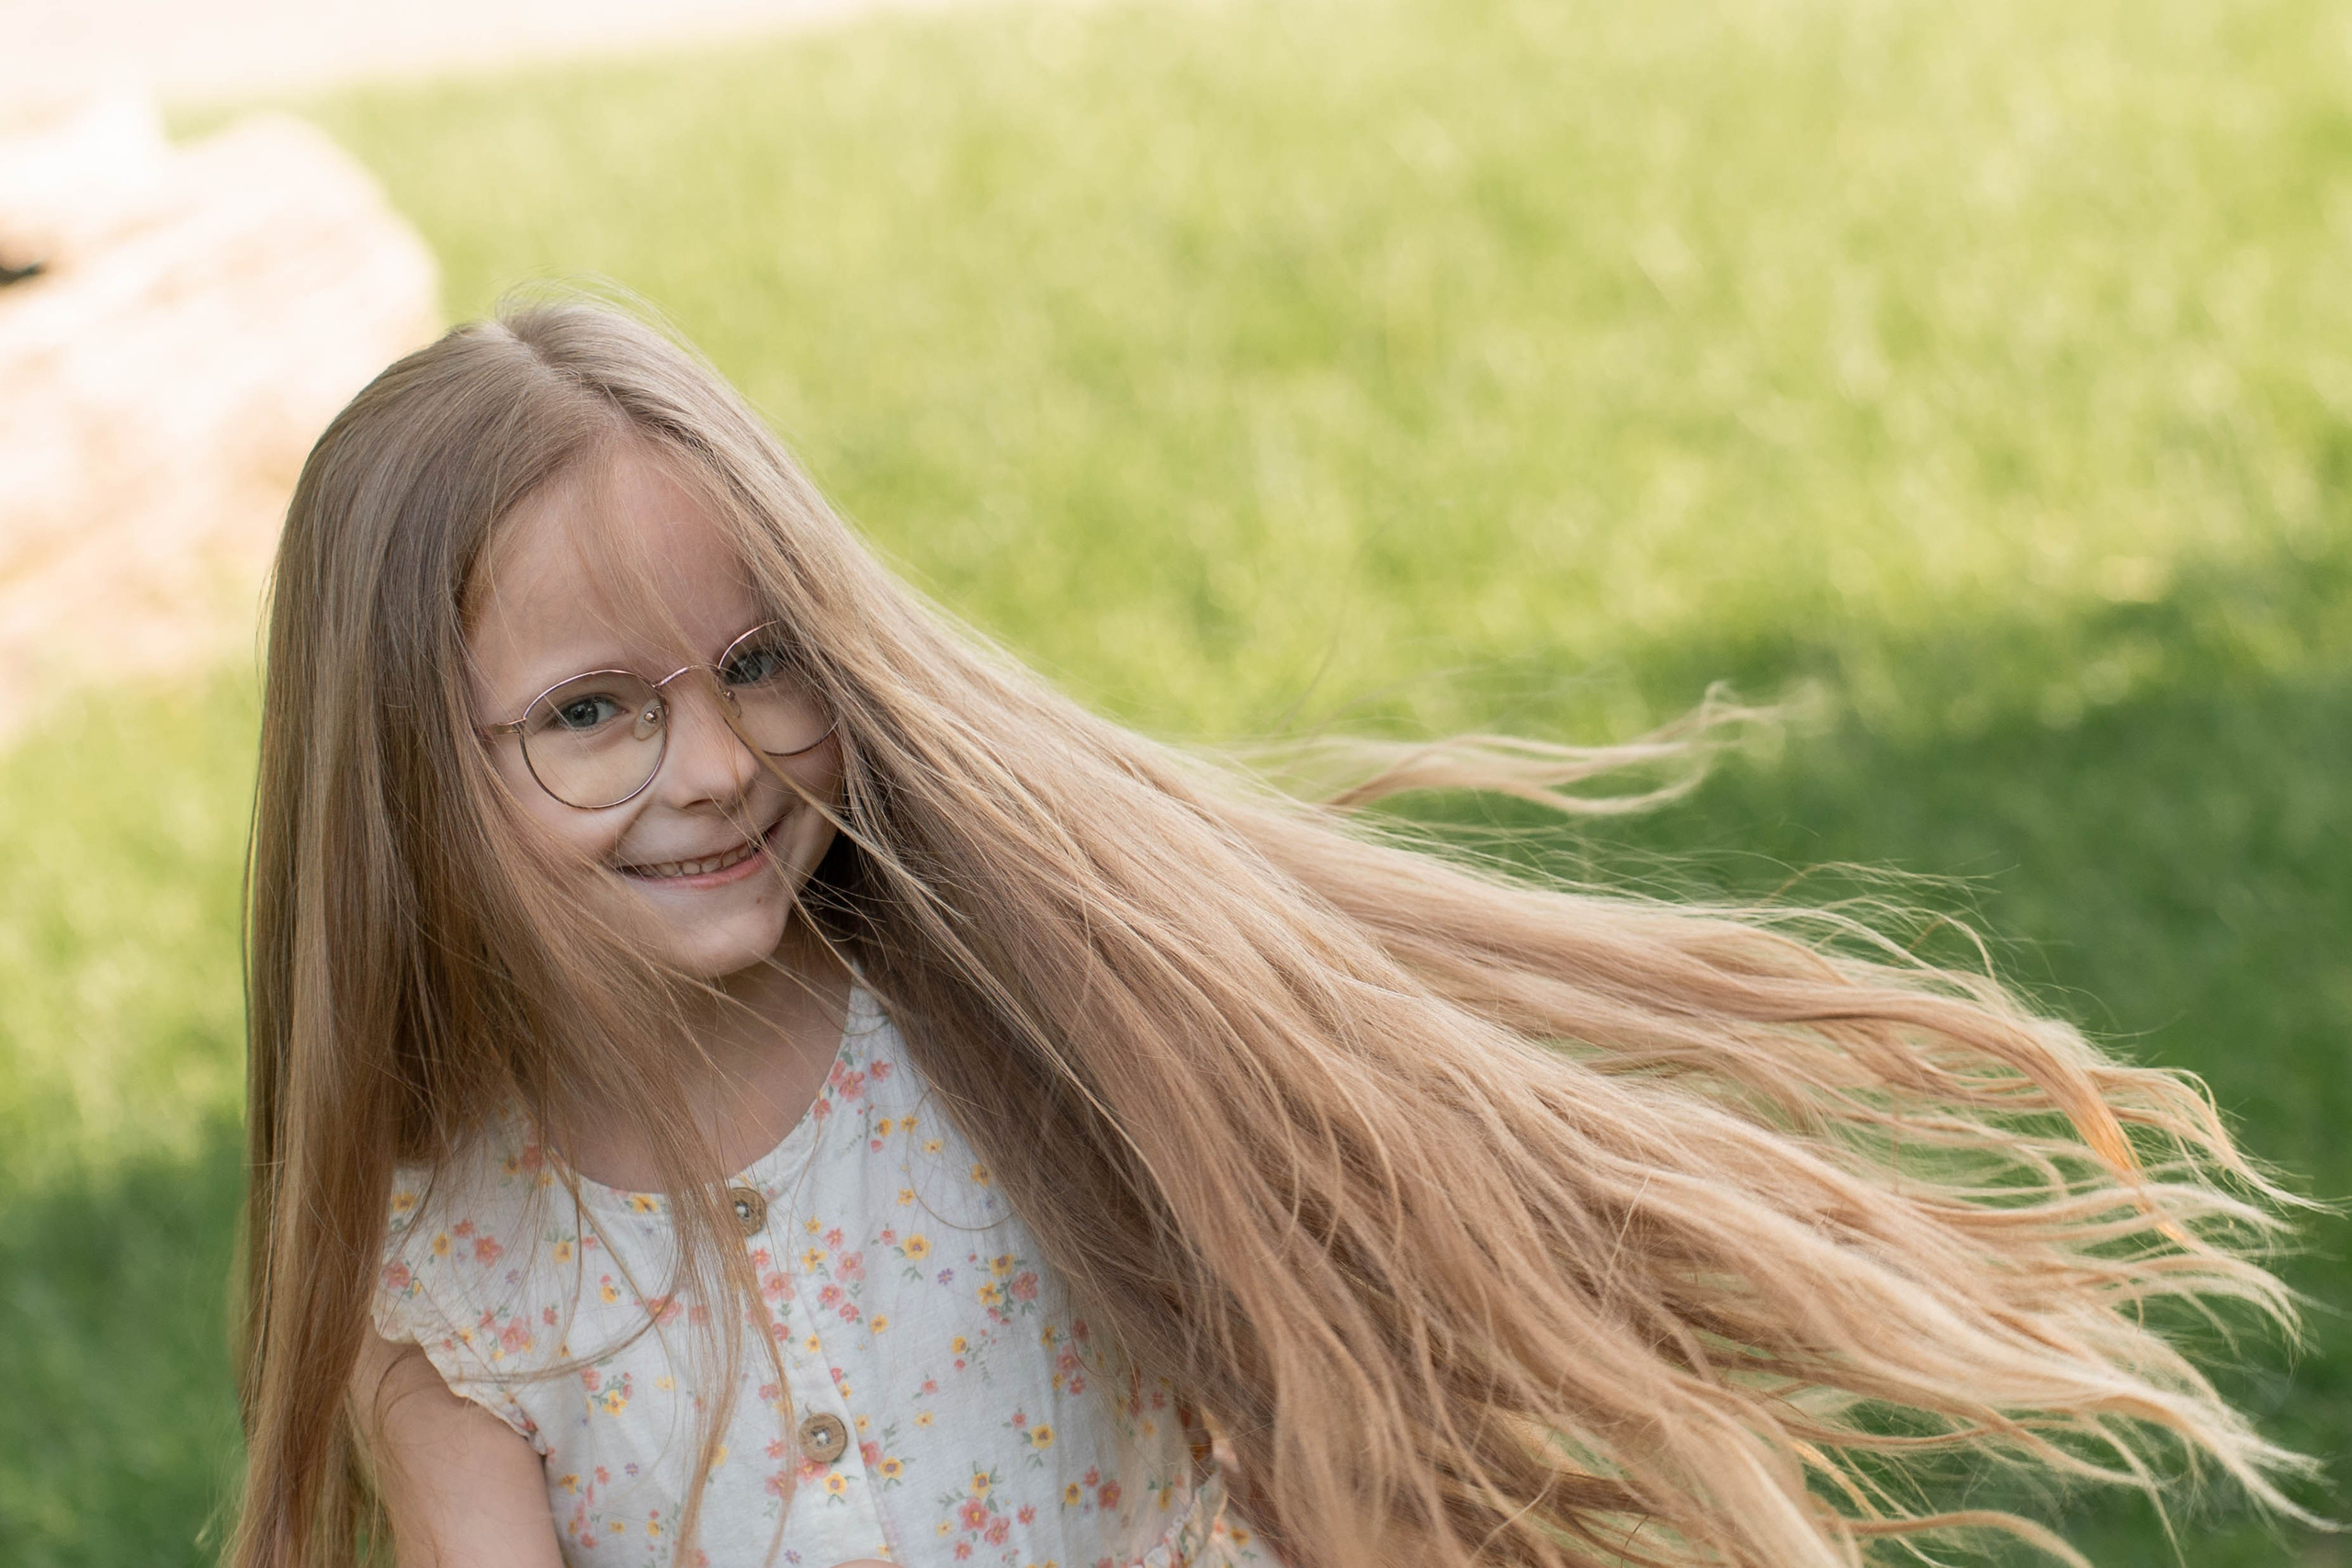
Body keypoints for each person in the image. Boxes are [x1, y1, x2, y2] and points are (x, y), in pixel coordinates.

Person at [231, 300, 2312, 1568]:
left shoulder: (987, 1016)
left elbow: (1317, 1420)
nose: (708, 759)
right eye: (593, 710)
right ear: (404, 771)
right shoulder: (458, 1265)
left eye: (763, 660)